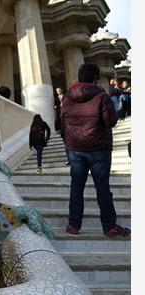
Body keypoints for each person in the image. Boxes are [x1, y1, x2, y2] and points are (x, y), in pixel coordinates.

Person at [61, 63, 130, 238]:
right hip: (99, 148)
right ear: (95, 78)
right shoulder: (101, 96)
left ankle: (73, 225)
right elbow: (110, 121)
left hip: (75, 149)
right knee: (103, 188)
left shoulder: (67, 98)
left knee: (76, 188)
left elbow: (60, 121)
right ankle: (109, 226)